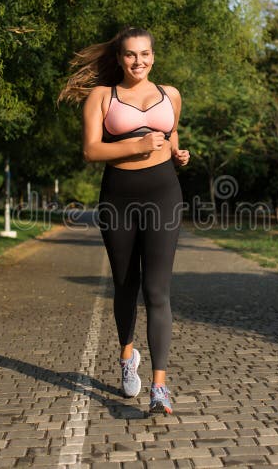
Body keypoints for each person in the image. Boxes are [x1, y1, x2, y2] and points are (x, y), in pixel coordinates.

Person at [59, 27, 189, 414]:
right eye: (131, 55)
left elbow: (172, 132)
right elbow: (90, 150)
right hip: (119, 196)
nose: (139, 61)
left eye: (145, 54)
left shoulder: (172, 94)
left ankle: (159, 387)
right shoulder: (102, 97)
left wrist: (179, 154)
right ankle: (127, 356)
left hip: (164, 193)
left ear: (153, 55)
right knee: (125, 284)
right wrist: (138, 144)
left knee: (157, 290)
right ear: (119, 58)